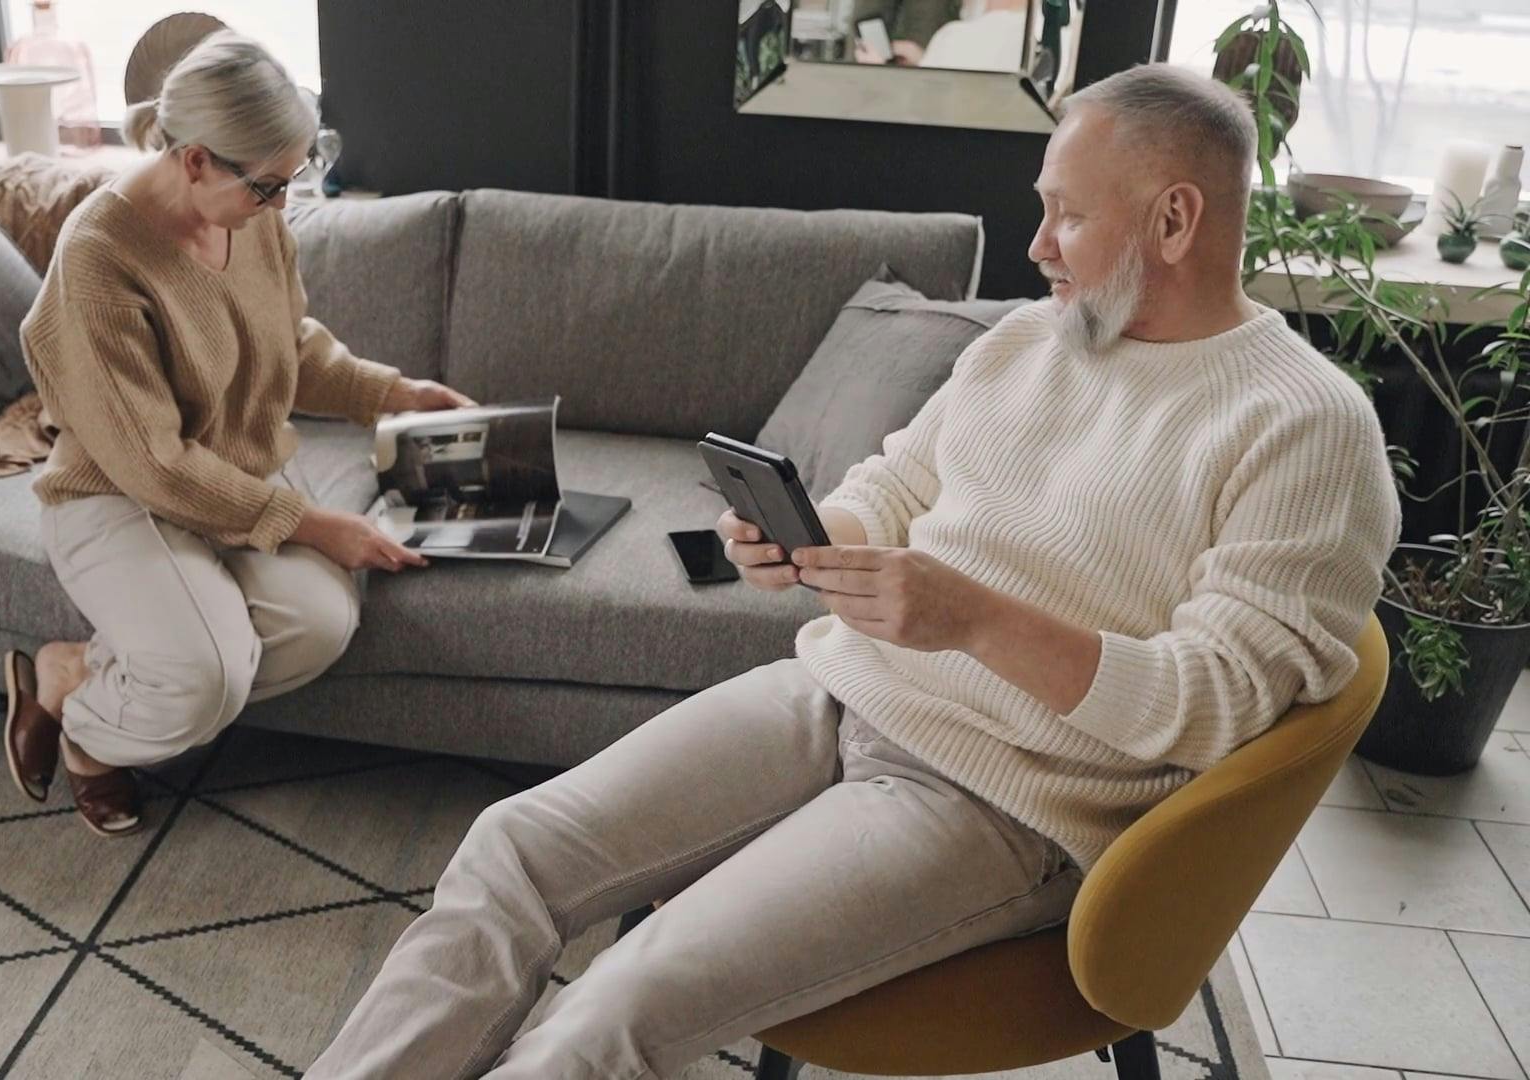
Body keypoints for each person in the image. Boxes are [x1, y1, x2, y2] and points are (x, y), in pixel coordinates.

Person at [304, 63, 1400, 1079]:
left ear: (1173, 220)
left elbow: (1212, 708)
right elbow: (897, 483)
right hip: (838, 692)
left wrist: (974, 620)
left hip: (1004, 796)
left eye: (1068, 214)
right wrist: (810, 533)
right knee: (509, 850)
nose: (1038, 246)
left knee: (617, 1007)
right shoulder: (1028, 340)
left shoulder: (1302, 426)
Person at [2, 31, 475, 837]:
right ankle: (85, 724)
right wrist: (313, 524)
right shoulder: (99, 261)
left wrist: (393, 395)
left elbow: (287, 346)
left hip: (235, 476)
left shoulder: (251, 217)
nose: (282, 204)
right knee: (208, 676)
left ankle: (86, 666)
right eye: (268, 186)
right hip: (122, 493)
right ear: (195, 161)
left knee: (322, 627)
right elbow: (155, 464)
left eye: (291, 179)